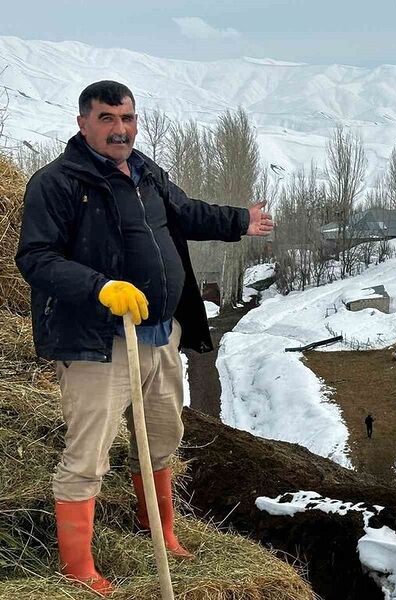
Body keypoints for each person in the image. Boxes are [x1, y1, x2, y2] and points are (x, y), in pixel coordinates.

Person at [15, 80, 273, 596]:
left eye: (127, 118)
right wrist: (100, 287)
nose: (120, 129)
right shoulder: (58, 182)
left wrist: (238, 221)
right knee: (88, 454)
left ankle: (158, 527)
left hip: (159, 335)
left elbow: (184, 214)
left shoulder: (146, 172)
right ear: (83, 123)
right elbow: (36, 259)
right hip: (98, 343)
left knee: (160, 439)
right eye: (107, 118)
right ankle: (77, 568)